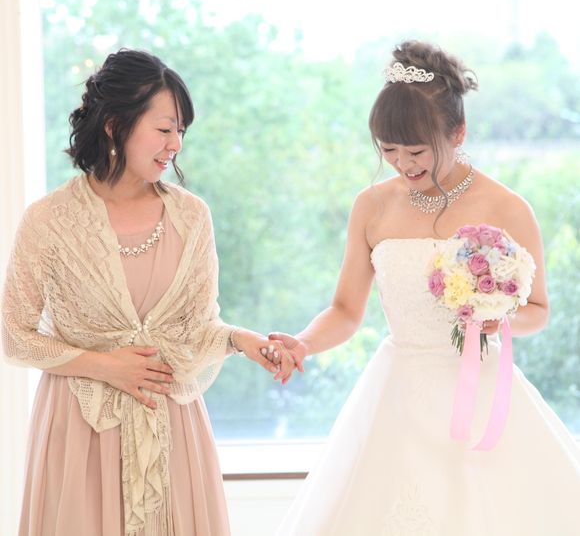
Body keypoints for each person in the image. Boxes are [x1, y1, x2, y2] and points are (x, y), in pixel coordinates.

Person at [266, 41, 580, 535]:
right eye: (388, 150)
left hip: (481, 394)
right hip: (399, 394)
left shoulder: (507, 207)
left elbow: (538, 309)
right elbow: (345, 310)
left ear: (458, 133)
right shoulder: (371, 206)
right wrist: (304, 342)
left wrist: (498, 318)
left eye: (416, 151)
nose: (402, 164)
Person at [0, 49, 293, 536]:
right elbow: (15, 335)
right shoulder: (48, 220)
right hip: (80, 434)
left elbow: (199, 326)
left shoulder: (192, 216)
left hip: (171, 427)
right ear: (115, 125)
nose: (175, 144)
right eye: (164, 129)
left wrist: (243, 341)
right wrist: (105, 365)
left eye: (181, 131)